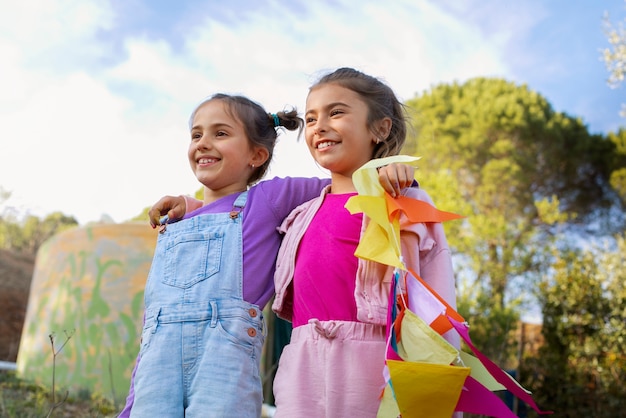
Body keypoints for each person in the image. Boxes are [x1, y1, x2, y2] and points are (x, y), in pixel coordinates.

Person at [119, 92, 415, 417]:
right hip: (156, 365)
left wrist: (388, 172)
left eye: (220, 133)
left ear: (257, 155)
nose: (203, 143)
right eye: (196, 134)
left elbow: (343, 182)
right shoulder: (173, 222)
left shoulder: (269, 199)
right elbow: (153, 330)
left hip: (224, 364)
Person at [270, 67, 460, 417]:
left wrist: (436, 388)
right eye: (311, 118)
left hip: (376, 370)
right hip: (300, 371)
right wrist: (190, 206)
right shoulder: (298, 216)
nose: (319, 125)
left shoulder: (406, 204)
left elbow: (438, 300)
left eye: (336, 112)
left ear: (380, 128)